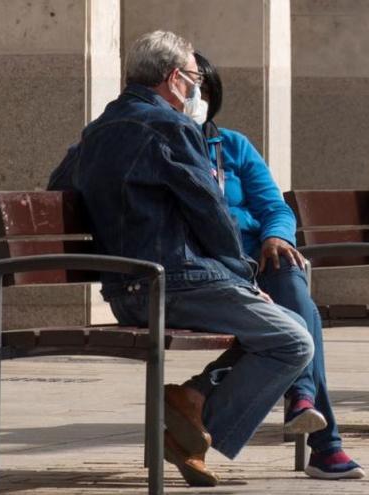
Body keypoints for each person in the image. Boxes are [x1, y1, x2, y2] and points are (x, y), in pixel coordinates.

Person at [48, 31, 314, 487]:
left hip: (125, 289)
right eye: (193, 79)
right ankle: (194, 421)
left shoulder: (97, 130)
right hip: (174, 282)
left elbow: (57, 190)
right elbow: (209, 211)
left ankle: (191, 408)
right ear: (174, 79)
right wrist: (244, 278)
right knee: (293, 339)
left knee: (266, 333)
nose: (196, 90)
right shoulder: (172, 127)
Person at [192, 52, 363, 480]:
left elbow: (275, 206)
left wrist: (276, 236)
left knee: (289, 272)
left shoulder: (231, 144)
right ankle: (323, 441)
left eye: (206, 90)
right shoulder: (170, 148)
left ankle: (305, 406)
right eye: (192, 89)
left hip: (261, 259)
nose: (198, 98)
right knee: (301, 320)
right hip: (215, 270)